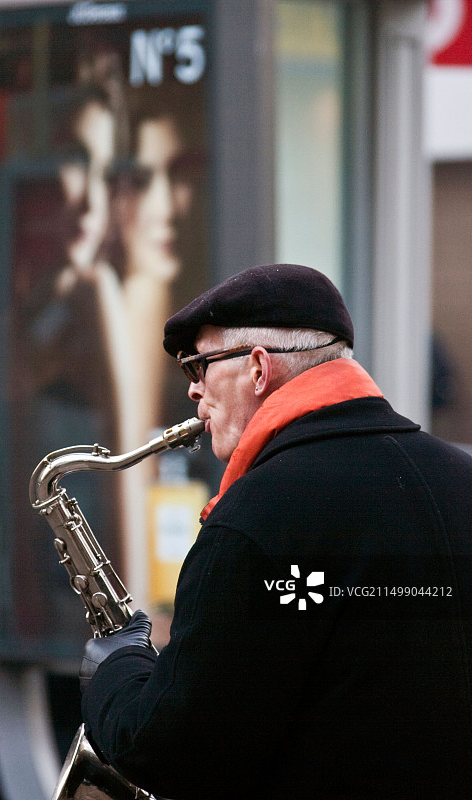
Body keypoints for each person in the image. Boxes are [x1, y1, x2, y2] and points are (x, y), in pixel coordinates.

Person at [80, 263, 472, 799]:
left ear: (258, 369)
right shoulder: (462, 479)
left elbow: (172, 751)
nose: (193, 391)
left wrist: (115, 666)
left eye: (197, 366)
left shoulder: (254, 520)